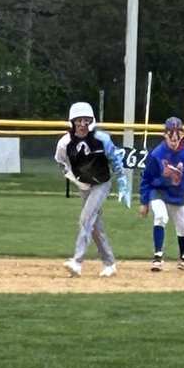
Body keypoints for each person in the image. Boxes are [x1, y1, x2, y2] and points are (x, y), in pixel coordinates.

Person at [55, 101, 130, 276]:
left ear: (92, 122)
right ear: (72, 122)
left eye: (86, 121)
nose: (82, 125)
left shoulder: (102, 139)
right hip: (83, 185)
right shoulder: (65, 143)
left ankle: (77, 262)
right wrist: (72, 176)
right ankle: (109, 263)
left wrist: (123, 184)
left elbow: (115, 160)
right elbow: (60, 161)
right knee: (94, 226)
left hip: (101, 183)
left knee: (86, 218)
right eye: (78, 121)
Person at [139, 116, 184, 271]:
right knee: (161, 216)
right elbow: (146, 178)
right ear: (165, 135)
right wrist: (144, 201)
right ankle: (158, 257)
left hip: (177, 193)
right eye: (171, 132)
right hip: (158, 190)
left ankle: (183, 258)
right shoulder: (157, 154)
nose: (174, 136)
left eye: (178, 132)